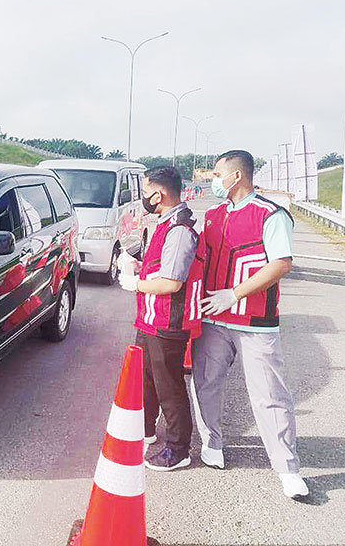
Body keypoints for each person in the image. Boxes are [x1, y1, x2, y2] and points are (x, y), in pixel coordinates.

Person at [193, 149, 308, 499]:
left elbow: (281, 263)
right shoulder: (213, 215)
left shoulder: (271, 214)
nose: (213, 181)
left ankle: (287, 468)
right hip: (213, 317)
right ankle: (212, 444)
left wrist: (236, 293)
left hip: (255, 321)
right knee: (206, 383)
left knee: (269, 395)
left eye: (216, 175)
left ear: (237, 176)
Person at [118, 166, 204, 471]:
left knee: (169, 387)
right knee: (147, 382)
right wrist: (137, 262)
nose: (143, 198)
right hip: (151, 320)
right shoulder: (165, 223)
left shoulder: (180, 230)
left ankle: (179, 449)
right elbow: (159, 264)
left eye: (144, 192)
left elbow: (172, 282)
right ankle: (146, 431)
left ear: (159, 194)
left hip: (168, 323)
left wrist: (135, 284)